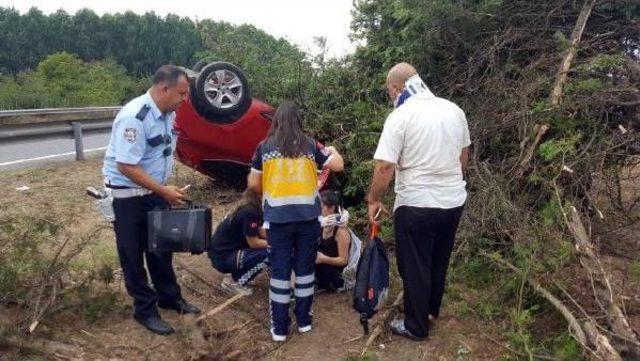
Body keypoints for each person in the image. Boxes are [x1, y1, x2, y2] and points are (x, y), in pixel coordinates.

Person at [367, 62, 471, 341]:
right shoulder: (454, 110)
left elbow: (385, 166)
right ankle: (430, 311)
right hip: (452, 201)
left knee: (415, 265)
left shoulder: (401, 115)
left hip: (416, 202)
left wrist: (373, 199)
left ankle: (415, 326)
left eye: (390, 92)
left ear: (396, 88)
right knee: (439, 259)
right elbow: (464, 155)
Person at [102, 65, 201, 335]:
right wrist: (163, 190)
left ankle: (170, 298)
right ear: (163, 88)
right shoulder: (135, 116)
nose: (185, 100)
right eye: (181, 94)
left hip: (154, 192)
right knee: (132, 255)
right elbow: (126, 165)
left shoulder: (166, 113)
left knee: (161, 248)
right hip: (128, 198)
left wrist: (163, 188)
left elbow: (161, 151)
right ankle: (145, 310)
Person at [248, 101, 344, 342]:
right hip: (308, 220)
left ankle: (279, 329)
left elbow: (252, 183)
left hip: (278, 221)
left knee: (280, 273)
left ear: (276, 121)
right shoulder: (311, 145)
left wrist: (269, 190)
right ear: (298, 121)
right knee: (305, 270)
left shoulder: (264, 147)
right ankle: (304, 322)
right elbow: (339, 165)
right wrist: (333, 150)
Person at [208, 189, 268, 295]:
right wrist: (278, 244)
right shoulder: (250, 212)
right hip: (223, 257)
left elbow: (261, 231)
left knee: (271, 247)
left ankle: (240, 276)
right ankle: (233, 282)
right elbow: (254, 243)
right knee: (269, 252)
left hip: (224, 252)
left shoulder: (252, 206)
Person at [315, 190, 352, 292]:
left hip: (336, 274)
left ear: (331, 208)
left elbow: (343, 260)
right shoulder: (322, 224)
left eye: (321, 207)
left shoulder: (341, 231)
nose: (318, 210)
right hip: (322, 266)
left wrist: (323, 259)